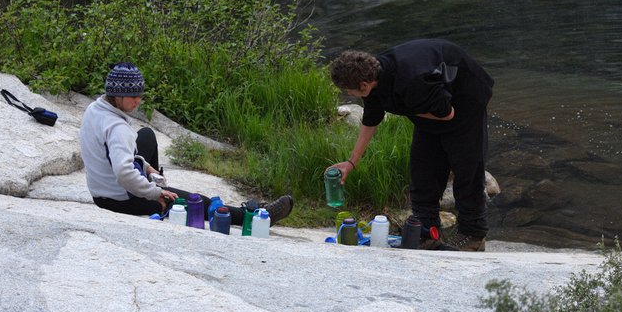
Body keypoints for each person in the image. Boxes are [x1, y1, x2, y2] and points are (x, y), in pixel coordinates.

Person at [328, 39, 493, 251]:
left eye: (349, 91)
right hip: (428, 108)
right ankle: (426, 231)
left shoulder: (412, 83)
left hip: (465, 103)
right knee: (423, 170)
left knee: (466, 170)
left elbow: (446, 114)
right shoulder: (373, 77)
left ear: (363, 85)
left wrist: (406, 109)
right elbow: (371, 119)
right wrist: (351, 162)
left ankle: (473, 235)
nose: (348, 94)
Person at [79, 62, 293, 226]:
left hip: (101, 192)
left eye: (140, 95)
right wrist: (155, 193)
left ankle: (153, 184)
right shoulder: (118, 129)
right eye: (132, 96)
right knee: (197, 201)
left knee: (146, 135)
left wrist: (146, 167)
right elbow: (124, 173)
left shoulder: (95, 109)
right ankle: (253, 217)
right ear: (116, 95)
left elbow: (115, 155)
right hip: (121, 199)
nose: (138, 101)